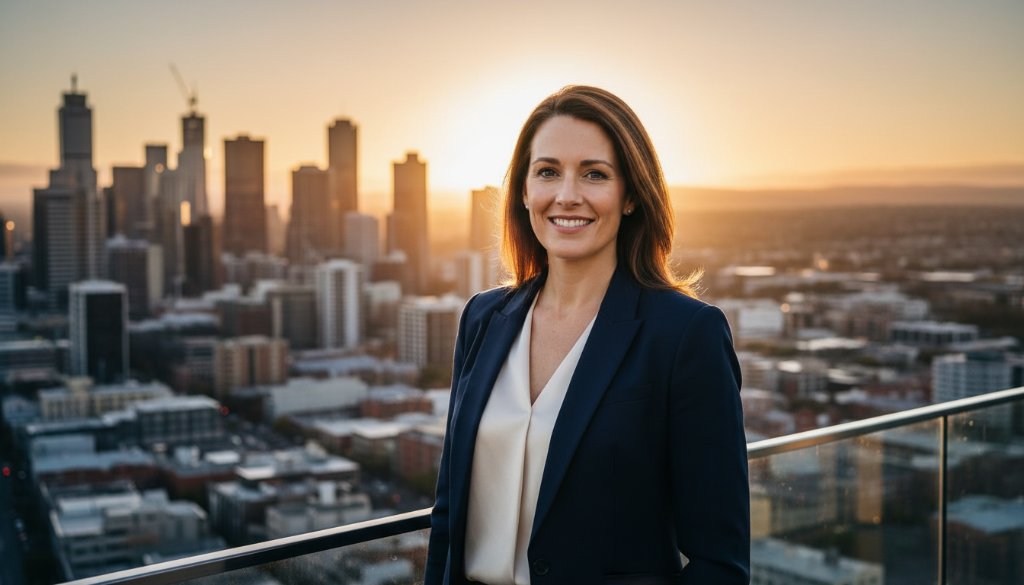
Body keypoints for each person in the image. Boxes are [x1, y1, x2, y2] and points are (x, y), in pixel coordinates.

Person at [424, 85, 749, 585]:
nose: (567, 195)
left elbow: (720, 563)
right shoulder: (483, 318)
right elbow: (448, 516)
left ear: (631, 196)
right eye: (547, 172)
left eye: (594, 174)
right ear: (524, 192)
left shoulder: (686, 334)